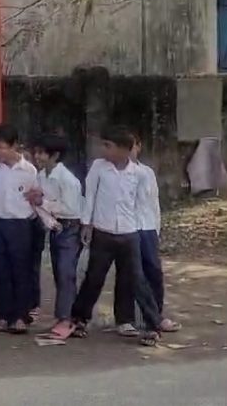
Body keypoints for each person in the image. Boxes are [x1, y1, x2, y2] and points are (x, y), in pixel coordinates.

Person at [71, 125, 165, 347]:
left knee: (137, 280)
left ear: (125, 150)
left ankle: (153, 325)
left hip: (129, 233)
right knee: (94, 278)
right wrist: (87, 223)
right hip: (103, 233)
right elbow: (90, 195)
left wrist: (144, 233)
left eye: (109, 146)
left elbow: (143, 205)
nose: (104, 150)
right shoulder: (99, 168)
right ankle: (79, 319)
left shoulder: (139, 174)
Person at [112, 134, 181, 336]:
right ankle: (125, 319)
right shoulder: (114, 172)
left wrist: (156, 229)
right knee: (128, 273)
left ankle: (155, 316)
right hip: (127, 228)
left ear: (138, 147)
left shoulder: (147, 172)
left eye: (131, 147)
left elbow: (153, 203)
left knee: (154, 272)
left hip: (148, 227)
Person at [0, 123, 39, 334]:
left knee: (21, 271)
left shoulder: (29, 171)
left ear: (15, 146)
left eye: (0, 147)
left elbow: (36, 199)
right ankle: (4, 314)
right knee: (0, 270)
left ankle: (20, 316)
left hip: (20, 225)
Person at [28, 133, 84, 340]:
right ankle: (69, 318)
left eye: (42, 153)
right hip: (55, 227)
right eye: (36, 152)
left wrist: (43, 204)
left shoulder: (67, 179)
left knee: (66, 272)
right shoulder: (42, 176)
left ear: (55, 155)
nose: (38, 157)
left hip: (70, 227)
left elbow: (70, 208)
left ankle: (66, 318)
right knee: (60, 273)